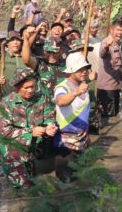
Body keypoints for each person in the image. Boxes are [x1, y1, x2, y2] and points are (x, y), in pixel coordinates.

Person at [0, 67, 58, 188]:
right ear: (17, 87)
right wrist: (31, 132)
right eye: (26, 87)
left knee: (34, 182)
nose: (30, 90)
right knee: (23, 186)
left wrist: (50, 127)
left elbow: (49, 116)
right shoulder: (6, 103)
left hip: (32, 150)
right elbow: (4, 131)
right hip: (12, 151)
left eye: (33, 87)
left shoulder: (41, 98)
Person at [53, 52, 93, 182]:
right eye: (79, 70)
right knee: (67, 184)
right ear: (70, 71)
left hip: (82, 141)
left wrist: (88, 138)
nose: (84, 72)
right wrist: (76, 92)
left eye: (85, 68)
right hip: (66, 145)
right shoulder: (62, 87)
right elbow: (60, 101)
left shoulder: (84, 85)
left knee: (83, 180)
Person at [98, 20, 122, 117]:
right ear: (112, 30)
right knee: (109, 116)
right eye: (118, 30)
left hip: (115, 85)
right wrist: (106, 46)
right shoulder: (106, 42)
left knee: (115, 114)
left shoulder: (117, 43)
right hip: (107, 87)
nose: (120, 33)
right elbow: (102, 53)